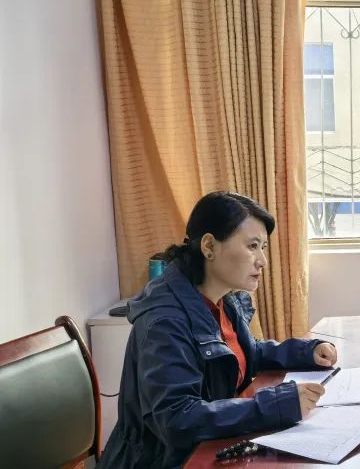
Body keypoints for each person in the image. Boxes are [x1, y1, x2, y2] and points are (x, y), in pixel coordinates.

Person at [99, 192, 339, 469]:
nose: (262, 260)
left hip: (209, 448)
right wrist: (274, 405)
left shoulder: (221, 298)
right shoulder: (165, 320)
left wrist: (306, 351)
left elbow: (242, 353)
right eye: (252, 246)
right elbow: (177, 419)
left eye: (263, 247)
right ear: (209, 246)